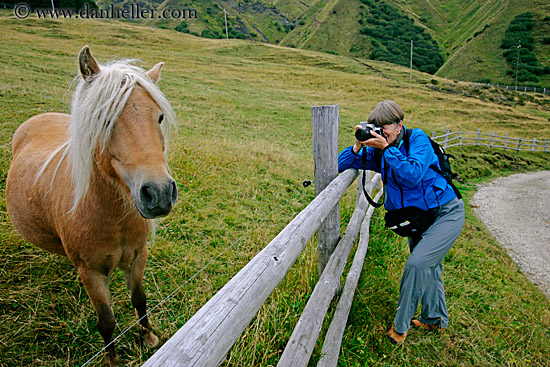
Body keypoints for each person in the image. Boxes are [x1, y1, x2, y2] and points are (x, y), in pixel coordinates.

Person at [338, 100, 465, 344]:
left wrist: (387, 149)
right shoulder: (380, 150)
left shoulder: (417, 139)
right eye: (377, 128)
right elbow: (342, 163)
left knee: (417, 264)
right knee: (430, 266)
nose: (381, 132)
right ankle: (434, 319)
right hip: (419, 217)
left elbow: (413, 174)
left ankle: (400, 327)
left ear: (399, 125)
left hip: (446, 213)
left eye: (386, 127)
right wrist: (357, 145)